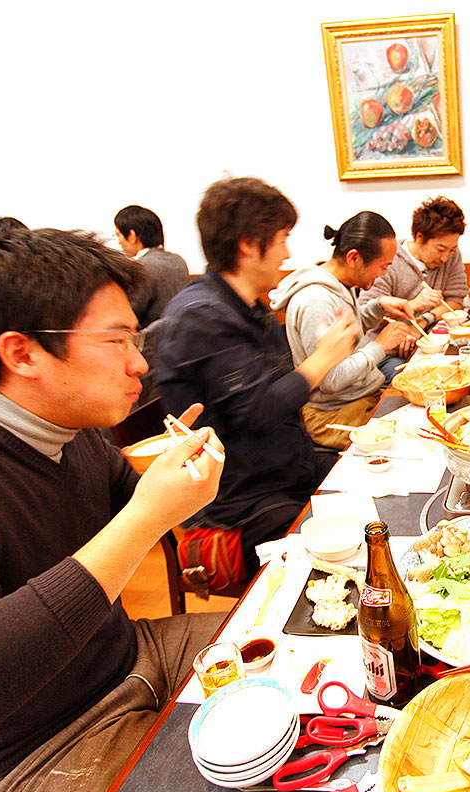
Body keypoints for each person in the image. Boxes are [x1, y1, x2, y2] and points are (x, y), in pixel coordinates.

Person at [0, 228, 226, 792]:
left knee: (314, 649)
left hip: (125, 662)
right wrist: (146, 516)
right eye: (117, 341)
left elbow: (126, 503)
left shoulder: (69, 429)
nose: (139, 363)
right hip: (19, 755)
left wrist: (178, 474)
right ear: (22, 353)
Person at [152, 178, 358, 576]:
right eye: (282, 240)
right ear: (249, 244)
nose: (287, 253)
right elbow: (257, 411)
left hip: (284, 474)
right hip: (242, 503)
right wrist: (323, 359)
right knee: (349, 558)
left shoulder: (246, 307)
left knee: (373, 485)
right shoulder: (201, 316)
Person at [271, 212, 417, 450]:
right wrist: (380, 345)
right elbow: (330, 379)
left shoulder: (340, 284)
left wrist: (378, 306)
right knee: (413, 442)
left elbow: (349, 335)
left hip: (360, 398)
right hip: (334, 415)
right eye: (383, 266)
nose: (384, 274)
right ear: (354, 258)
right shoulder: (315, 300)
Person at [358, 196, 468, 381]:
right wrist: (413, 305)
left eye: (452, 249)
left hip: (432, 343)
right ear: (419, 237)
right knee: (417, 381)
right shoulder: (388, 261)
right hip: (389, 352)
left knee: (462, 370)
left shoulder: (452, 255)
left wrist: (424, 320)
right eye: (440, 249)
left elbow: (455, 301)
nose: (445, 258)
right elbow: (366, 318)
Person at [113, 205, 191, 328]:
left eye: (118, 235)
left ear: (132, 236)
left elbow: (129, 313)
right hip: (182, 332)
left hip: (152, 337)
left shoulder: (141, 267)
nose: (118, 242)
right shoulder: (178, 261)